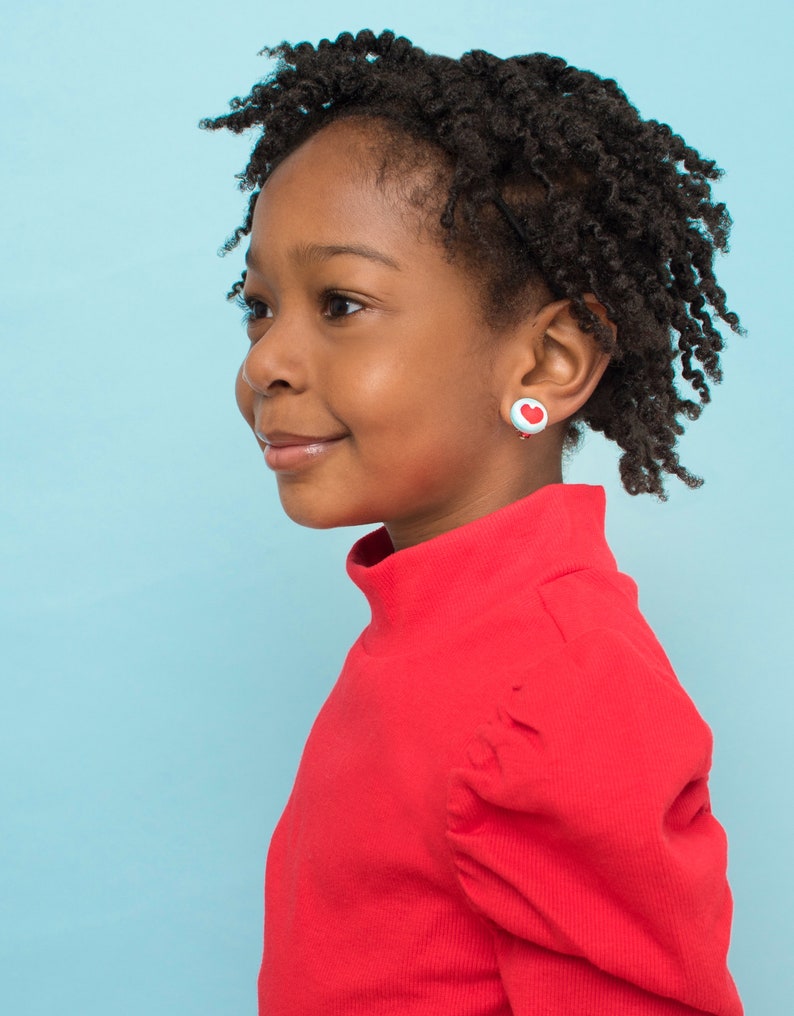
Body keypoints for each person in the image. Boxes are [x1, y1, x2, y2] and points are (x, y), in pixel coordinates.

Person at [202, 30, 743, 1015]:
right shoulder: (423, 629)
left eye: (341, 302)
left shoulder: (555, 691)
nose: (264, 362)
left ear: (544, 365)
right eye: (259, 307)